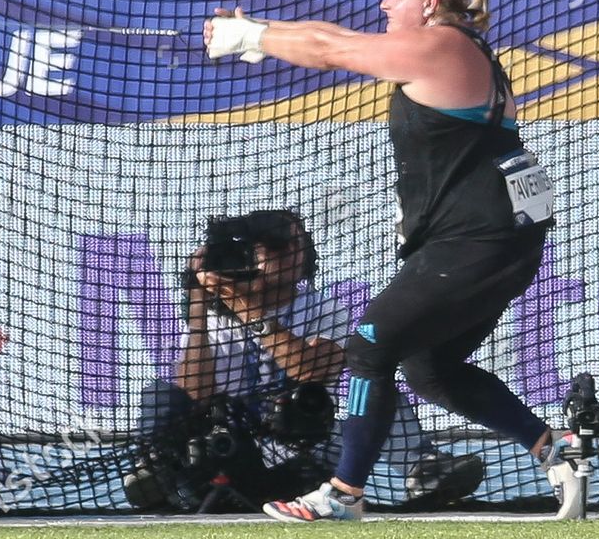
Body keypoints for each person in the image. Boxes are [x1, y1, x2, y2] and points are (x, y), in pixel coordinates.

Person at [203, 0, 587, 522]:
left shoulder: (443, 46)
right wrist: (259, 34)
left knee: (370, 345)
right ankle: (555, 449)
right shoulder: (454, 47)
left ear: (429, 5)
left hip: (478, 241)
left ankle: (344, 494)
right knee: (430, 369)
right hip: (492, 241)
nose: (385, 4)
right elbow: (329, 36)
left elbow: (332, 50)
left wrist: (251, 35)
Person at [131, 209, 485, 510]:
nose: (293, 253)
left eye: (298, 245)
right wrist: (197, 312)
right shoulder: (214, 318)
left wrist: (246, 307)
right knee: (159, 394)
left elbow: (310, 371)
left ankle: (422, 469)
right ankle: (152, 478)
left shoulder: (322, 309)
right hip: (230, 454)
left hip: (304, 452)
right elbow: (196, 395)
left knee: (376, 389)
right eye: (278, 246)